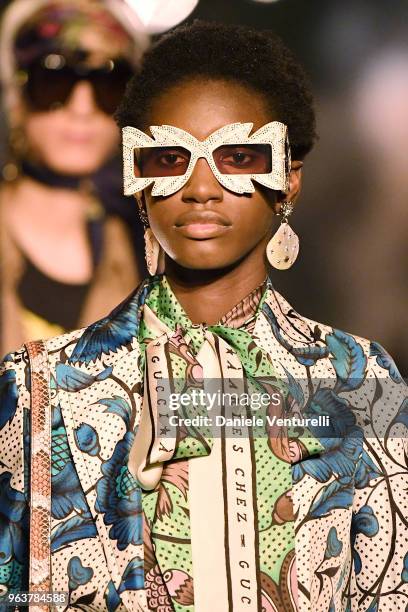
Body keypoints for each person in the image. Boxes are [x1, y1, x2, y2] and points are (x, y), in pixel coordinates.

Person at [0, 21, 407, 612]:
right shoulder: (40, 389)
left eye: (238, 156)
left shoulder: (360, 384)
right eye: (168, 157)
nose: (200, 188)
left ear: (288, 180)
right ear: (137, 182)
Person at [0, 0, 148, 357]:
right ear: (16, 96)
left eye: (110, 83)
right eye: (54, 79)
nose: (82, 107)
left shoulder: (149, 245)